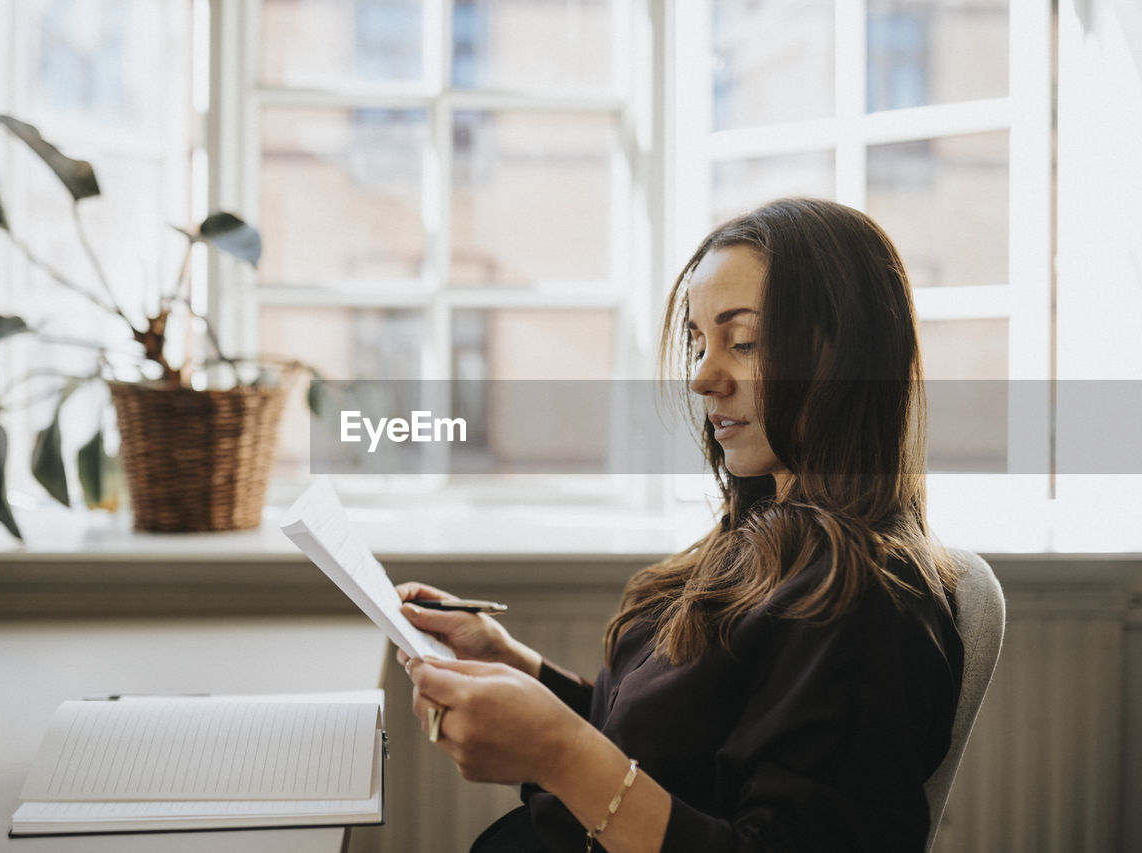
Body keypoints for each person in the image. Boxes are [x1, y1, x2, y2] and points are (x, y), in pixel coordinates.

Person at [396, 197, 964, 852]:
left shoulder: (866, 606)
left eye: (743, 342)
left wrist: (557, 753)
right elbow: (671, 756)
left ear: (843, 355)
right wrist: (514, 665)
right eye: (699, 341)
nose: (701, 376)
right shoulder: (764, 535)